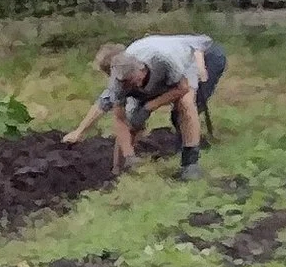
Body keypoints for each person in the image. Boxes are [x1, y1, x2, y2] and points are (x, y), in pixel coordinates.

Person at [62, 34, 227, 181]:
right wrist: (128, 156)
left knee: (185, 104)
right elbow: (118, 118)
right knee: (133, 120)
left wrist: (149, 106)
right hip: (156, 65)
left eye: (132, 81)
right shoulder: (119, 80)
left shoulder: (165, 60)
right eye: (124, 83)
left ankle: (190, 163)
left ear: (141, 71)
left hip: (187, 60)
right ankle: (119, 170)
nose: (128, 85)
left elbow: (182, 87)